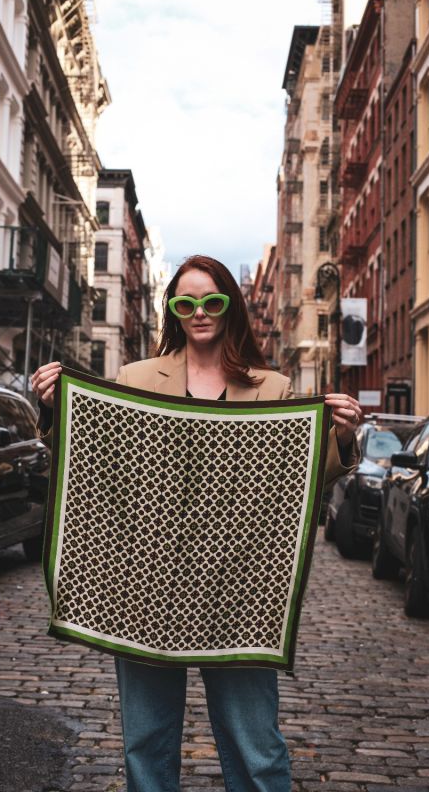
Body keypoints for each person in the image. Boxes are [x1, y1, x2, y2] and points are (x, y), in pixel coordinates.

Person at [31, 255, 361, 792]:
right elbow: (97, 456)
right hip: (146, 590)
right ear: (174, 311)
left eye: (212, 300)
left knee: (258, 749)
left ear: (230, 306)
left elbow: (301, 480)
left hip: (240, 594)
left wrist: (341, 437)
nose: (200, 312)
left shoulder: (272, 389)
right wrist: (54, 408)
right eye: (186, 303)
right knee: (147, 747)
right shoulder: (136, 377)